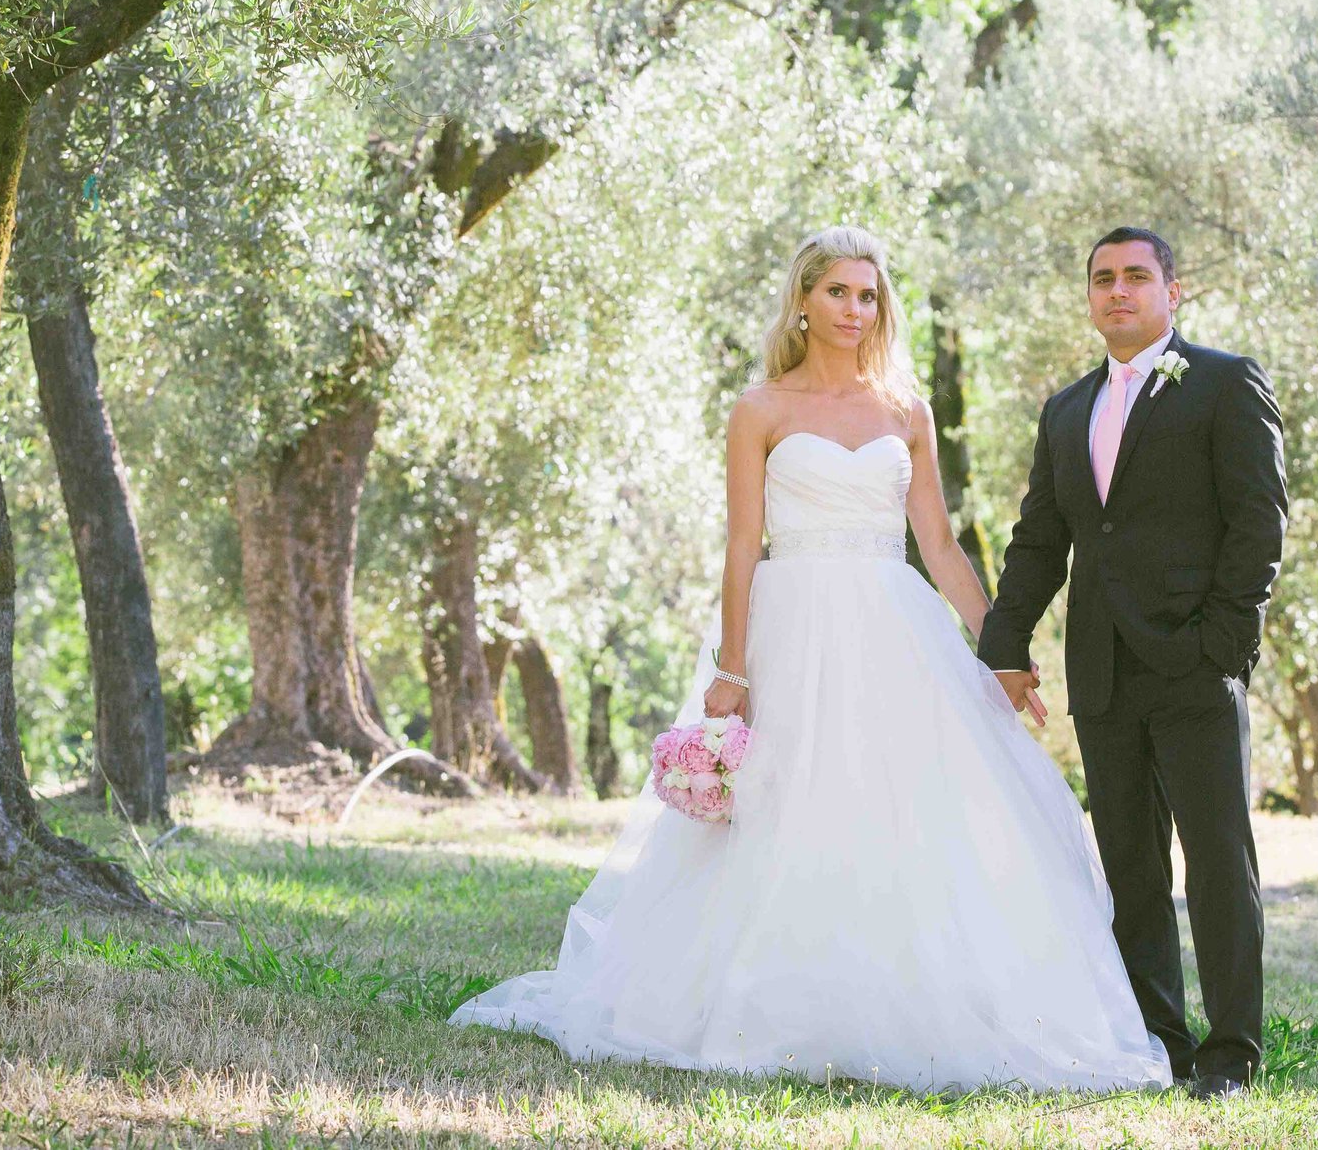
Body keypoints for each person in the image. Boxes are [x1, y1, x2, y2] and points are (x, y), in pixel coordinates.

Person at [452, 225, 1170, 1094]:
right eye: (838, 292)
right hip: (789, 626)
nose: (854, 310)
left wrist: (1001, 649)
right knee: (783, 809)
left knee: (907, 809)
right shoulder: (761, 409)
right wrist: (732, 665)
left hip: (892, 625)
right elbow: (742, 545)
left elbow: (938, 546)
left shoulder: (905, 410)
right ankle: (762, 1000)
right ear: (804, 298)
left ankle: (911, 1001)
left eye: (869, 295)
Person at [977, 226, 1287, 1099]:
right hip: (1103, 674)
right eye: (1103, 278)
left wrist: (1222, 646)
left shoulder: (1225, 383)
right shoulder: (1066, 409)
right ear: (1090, 295)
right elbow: (1043, 538)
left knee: (1220, 864)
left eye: (1136, 276)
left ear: (1171, 289)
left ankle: (1231, 1057)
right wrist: (1004, 642)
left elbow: (1259, 524)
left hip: (1195, 668)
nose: (1119, 290)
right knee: (1132, 870)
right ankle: (1162, 1043)